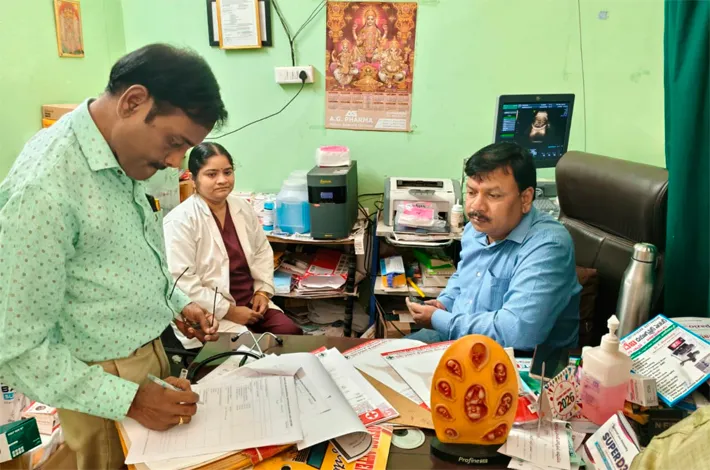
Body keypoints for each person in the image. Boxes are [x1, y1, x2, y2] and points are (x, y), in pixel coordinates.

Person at [0, 44, 227, 469]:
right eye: (174, 143)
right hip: (98, 385)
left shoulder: (119, 152)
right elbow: (18, 347)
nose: (174, 162)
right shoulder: (46, 190)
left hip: (144, 361)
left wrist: (176, 302)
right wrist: (131, 399)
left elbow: (114, 258)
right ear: (133, 101)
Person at [405, 142, 581, 350]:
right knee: (384, 359)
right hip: (462, 337)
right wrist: (445, 303)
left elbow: (517, 333)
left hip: (518, 358)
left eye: (493, 195)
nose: (476, 206)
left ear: (526, 198)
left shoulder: (548, 246)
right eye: (472, 192)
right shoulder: (477, 228)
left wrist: (439, 319)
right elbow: (463, 278)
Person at [164, 142, 302, 349]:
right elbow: (182, 282)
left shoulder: (241, 207)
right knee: (251, 351)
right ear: (193, 178)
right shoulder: (180, 221)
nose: (222, 180)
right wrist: (230, 311)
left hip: (251, 302)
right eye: (211, 174)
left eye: (227, 172)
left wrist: (262, 292)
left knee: (292, 335)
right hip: (209, 311)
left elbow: (262, 251)